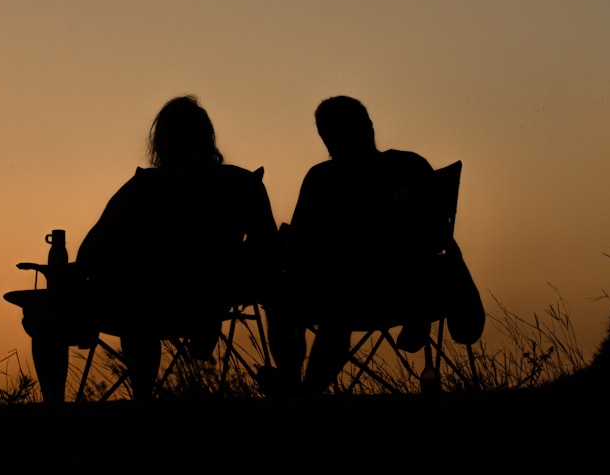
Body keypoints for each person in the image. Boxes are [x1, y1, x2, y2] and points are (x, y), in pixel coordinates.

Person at [30, 95, 278, 402]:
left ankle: (68, 404)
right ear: (208, 138)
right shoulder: (243, 184)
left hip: (142, 305)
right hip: (211, 301)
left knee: (53, 310)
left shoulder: (143, 188)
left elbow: (90, 250)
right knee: (138, 291)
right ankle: (290, 383)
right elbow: (268, 251)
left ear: (160, 144)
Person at [267, 95, 442, 394]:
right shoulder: (411, 166)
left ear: (327, 139)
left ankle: (297, 388)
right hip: (411, 293)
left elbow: (298, 250)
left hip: (344, 296)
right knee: (337, 291)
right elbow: (437, 236)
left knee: (286, 291)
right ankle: (300, 392)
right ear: (369, 127)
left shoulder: (322, 179)